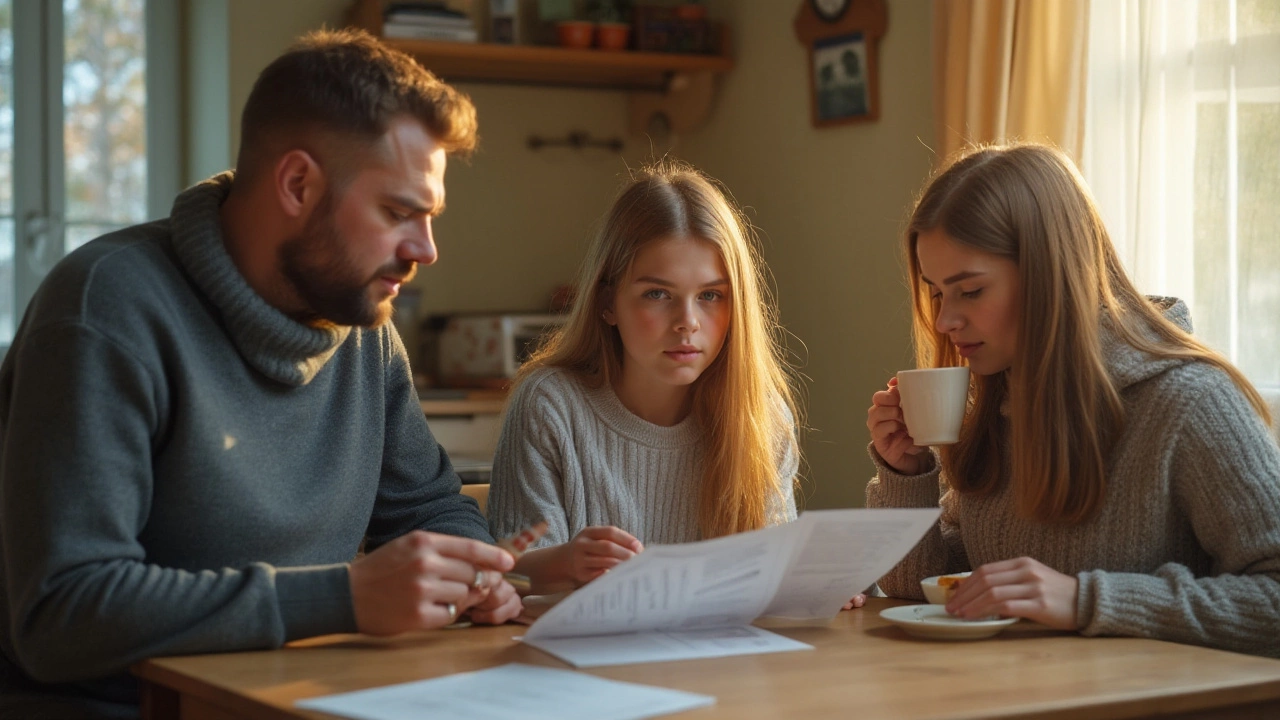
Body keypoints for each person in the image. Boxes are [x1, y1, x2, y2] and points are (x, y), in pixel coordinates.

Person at [0, 29, 522, 719]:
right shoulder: (106, 309)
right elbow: (61, 613)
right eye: (399, 212)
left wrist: (473, 568)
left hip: (305, 698)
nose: (425, 249)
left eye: (430, 216)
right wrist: (347, 597)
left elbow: (429, 507)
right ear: (298, 184)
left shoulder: (366, 330)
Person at [865, 142, 1280, 656]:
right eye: (935, 293)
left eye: (969, 291)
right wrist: (907, 476)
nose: (946, 322)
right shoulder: (1000, 402)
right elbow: (928, 587)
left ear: (1049, 275)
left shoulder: (1189, 402)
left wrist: (1088, 600)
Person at [487, 161, 814, 594]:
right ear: (607, 302)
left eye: (711, 296)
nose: (687, 322)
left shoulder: (761, 416)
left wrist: (810, 582)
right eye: (657, 294)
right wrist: (564, 563)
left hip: (719, 659)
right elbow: (505, 578)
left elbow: (769, 576)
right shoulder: (550, 406)